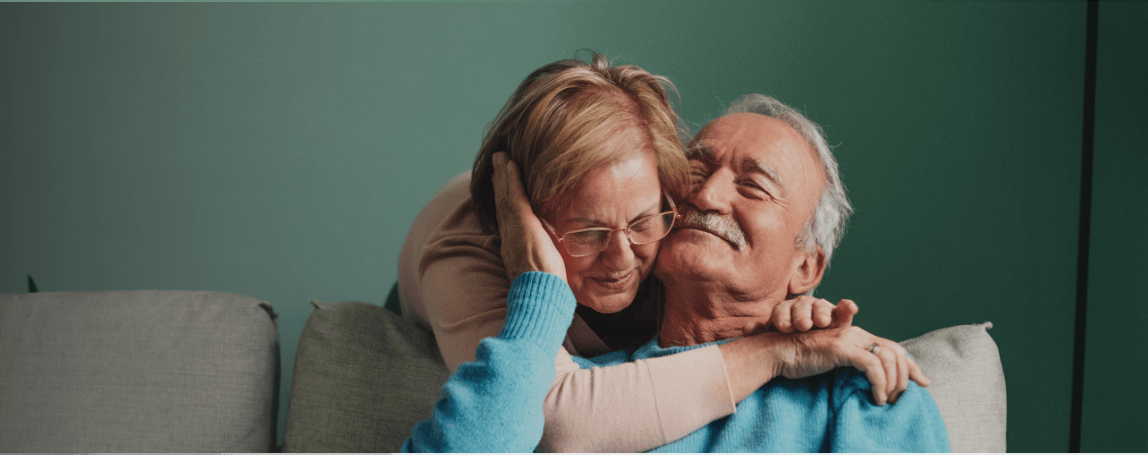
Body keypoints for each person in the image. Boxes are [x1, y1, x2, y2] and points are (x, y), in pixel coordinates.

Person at [401, 94, 947, 452]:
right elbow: (553, 419)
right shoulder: (586, 388)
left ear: (807, 268)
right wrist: (783, 349)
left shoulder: (863, 387)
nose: (706, 195)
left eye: (753, 187)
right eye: (696, 168)